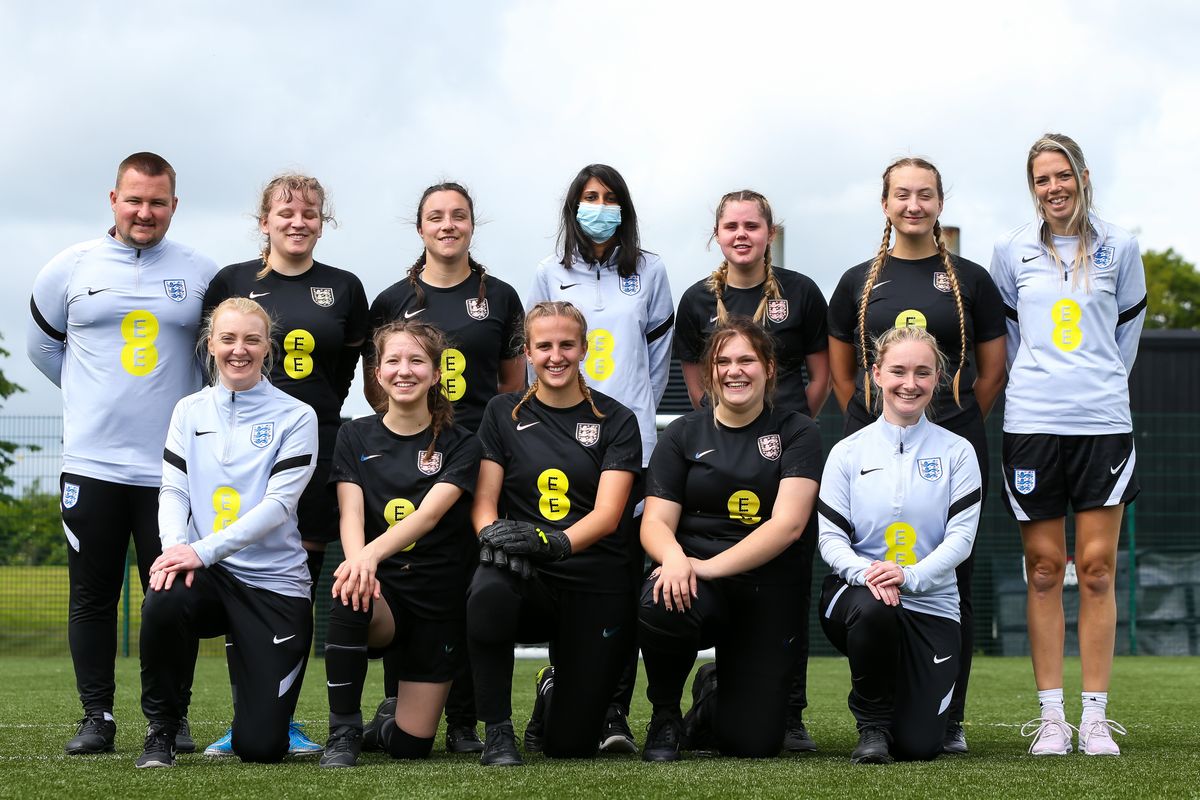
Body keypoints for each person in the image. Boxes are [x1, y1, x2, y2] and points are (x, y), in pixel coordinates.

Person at [26, 152, 217, 755]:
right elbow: (42, 349)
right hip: (92, 466)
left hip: (171, 471)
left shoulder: (203, 274)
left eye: (157, 202)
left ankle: (173, 717)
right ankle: (97, 716)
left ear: (174, 207)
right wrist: (94, 397)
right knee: (92, 594)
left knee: (171, 598)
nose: (145, 212)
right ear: (114, 199)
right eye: (134, 200)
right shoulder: (68, 268)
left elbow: (219, 359)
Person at [827, 157, 1007, 753]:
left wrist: (946, 421)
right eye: (901, 195)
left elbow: (991, 369)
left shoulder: (970, 278)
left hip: (950, 434)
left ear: (939, 203)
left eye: (924, 195)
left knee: (957, 574)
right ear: (885, 204)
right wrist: (888, 419)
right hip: (876, 434)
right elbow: (842, 373)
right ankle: (875, 712)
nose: (913, 205)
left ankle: (949, 717)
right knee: (867, 560)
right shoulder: (856, 281)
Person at [200, 173, 369, 756]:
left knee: (296, 580)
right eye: (286, 212)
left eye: (310, 213)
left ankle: (286, 715)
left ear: (324, 221)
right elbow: (217, 362)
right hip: (244, 448)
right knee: (243, 572)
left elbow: (345, 377)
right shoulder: (233, 281)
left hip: (315, 442)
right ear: (264, 219)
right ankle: (247, 714)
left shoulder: (345, 287)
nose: (298, 222)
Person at [991, 133, 1146, 757]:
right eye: (1040, 180)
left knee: (1099, 570)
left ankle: (1096, 717)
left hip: (1102, 423)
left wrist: (1096, 386)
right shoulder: (1012, 250)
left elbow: (1124, 339)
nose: (1052, 188)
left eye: (1061, 176)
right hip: (1031, 423)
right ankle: (1052, 717)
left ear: (1082, 176)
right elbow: (1010, 338)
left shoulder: (1122, 246)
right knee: (1046, 569)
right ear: (1032, 188)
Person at [363, 181, 525, 753]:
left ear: (472, 225)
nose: (448, 225)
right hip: (415, 457)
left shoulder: (500, 297)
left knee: (470, 581)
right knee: (407, 573)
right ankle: (398, 702)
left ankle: (464, 720)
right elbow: (376, 386)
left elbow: (512, 385)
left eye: (458, 216)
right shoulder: (390, 300)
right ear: (421, 228)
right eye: (436, 216)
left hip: (481, 458)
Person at [524, 163, 675, 753]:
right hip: (559, 445)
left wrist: (630, 414)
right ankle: (557, 689)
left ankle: (616, 708)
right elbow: (540, 352)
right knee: (564, 568)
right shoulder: (548, 272)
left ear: (625, 208)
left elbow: (654, 362)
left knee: (620, 576)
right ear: (573, 206)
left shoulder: (651, 270)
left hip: (626, 443)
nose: (599, 206)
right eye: (589, 197)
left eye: (610, 198)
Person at [672, 190, 828, 752]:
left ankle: (790, 710)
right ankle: (690, 697)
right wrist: (716, 426)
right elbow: (694, 375)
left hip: (785, 456)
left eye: (752, 226)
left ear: (769, 232)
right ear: (717, 234)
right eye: (731, 226)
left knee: (789, 582)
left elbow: (820, 376)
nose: (742, 235)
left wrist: (786, 432)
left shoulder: (801, 292)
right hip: (719, 450)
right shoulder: (696, 300)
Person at [135, 298, 318, 767]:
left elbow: (277, 507)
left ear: (267, 348)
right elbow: (173, 490)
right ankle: (164, 729)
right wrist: (176, 548)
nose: (240, 350)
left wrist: (200, 550)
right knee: (164, 591)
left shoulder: (297, 416)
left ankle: (257, 720)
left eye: (252, 340)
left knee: (260, 748)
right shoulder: (188, 410)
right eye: (228, 339)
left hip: (272, 584)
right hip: (207, 574)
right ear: (210, 344)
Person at [639, 317, 821, 762]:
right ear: (709, 371)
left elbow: (789, 525)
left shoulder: (798, 432)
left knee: (753, 744)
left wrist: (706, 566)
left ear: (770, 368)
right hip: (694, 585)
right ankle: (664, 715)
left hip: (765, 589)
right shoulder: (683, 433)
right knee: (660, 599)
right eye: (722, 361)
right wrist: (677, 560)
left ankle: (712, 694)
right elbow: (655, 522)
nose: (734, 371)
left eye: (746, 360)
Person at [468, 300, 641, 766]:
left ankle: (551, 691)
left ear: (584, 348)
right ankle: (498, 731)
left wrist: (552, 542)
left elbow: (608, 514)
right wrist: (491, 536)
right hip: (529, 575)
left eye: (567, 344)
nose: (556, 355)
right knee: (488, 588)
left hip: (593, 575)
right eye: (544, 346)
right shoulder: (502, 412)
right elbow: (484, 502)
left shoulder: (616, 419)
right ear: (527, 352)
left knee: (570, 746)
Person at [319, 321, 482, 768]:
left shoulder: (463, 443)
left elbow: (429, 515)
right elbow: (350, 512)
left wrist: (368, 555)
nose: (403, 371)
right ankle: (344, 732)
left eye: (416, 361)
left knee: (410, 748)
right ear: (377, 372)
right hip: (380, 595)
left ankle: (384, 723)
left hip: (438, 600)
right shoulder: (354, 436)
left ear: (435, 373)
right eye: (393, 360)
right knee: (347, 593)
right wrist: (359, 565)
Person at [818, 325, 982, 764]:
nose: (910, 383)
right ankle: (871, 727)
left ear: (937, 380)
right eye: (898, 371)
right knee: (876, 609)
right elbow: (831, 540)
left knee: (919, 746)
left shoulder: (959, 452)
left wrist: (909, 576)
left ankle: (902, 719)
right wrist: (869, 575)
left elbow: (961, 540)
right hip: (860, 600)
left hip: (932, 607)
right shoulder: (847, 452)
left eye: (923, 373)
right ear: (875, 374)